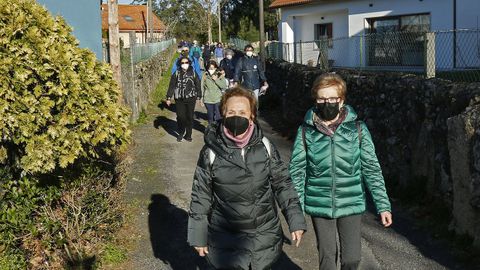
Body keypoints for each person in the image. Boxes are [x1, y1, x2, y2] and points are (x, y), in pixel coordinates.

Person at [187, 87, 307, 270]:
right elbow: (200, 195)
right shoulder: (210, 152)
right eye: (231, 112)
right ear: (223, 114)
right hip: (226, 237)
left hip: (264, 236)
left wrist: (295, 220)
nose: (237, 117)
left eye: (243, 112)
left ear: (252, 116)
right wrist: (198, 235)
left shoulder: (265, 146)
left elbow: (283, 184)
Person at [289, 73, 393, 270]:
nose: (326, 103)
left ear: (342, 100)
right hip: (319, 202)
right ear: (315, 99)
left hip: (351, 201)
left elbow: (371, 168)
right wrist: (297, 214)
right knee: (327, 259)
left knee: (352, 258)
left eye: (332, 98)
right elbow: (297, 172)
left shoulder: (358, 130)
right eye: (321, 98)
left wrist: (383, 205)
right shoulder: (305, 131)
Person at [166, 56, 202, 142]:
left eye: (186, 62)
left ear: (189, 63)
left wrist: (199, 96)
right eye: (182, 63)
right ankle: (181, 132)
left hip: (191, 98)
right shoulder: (176, 73)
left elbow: (197, 83)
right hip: (179, 99)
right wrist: (168, 97)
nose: (184, 64)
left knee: (189, 117)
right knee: (181, 116)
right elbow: (172, 85)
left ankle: (188, 134)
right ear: (180, 64)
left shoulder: (193, 72)